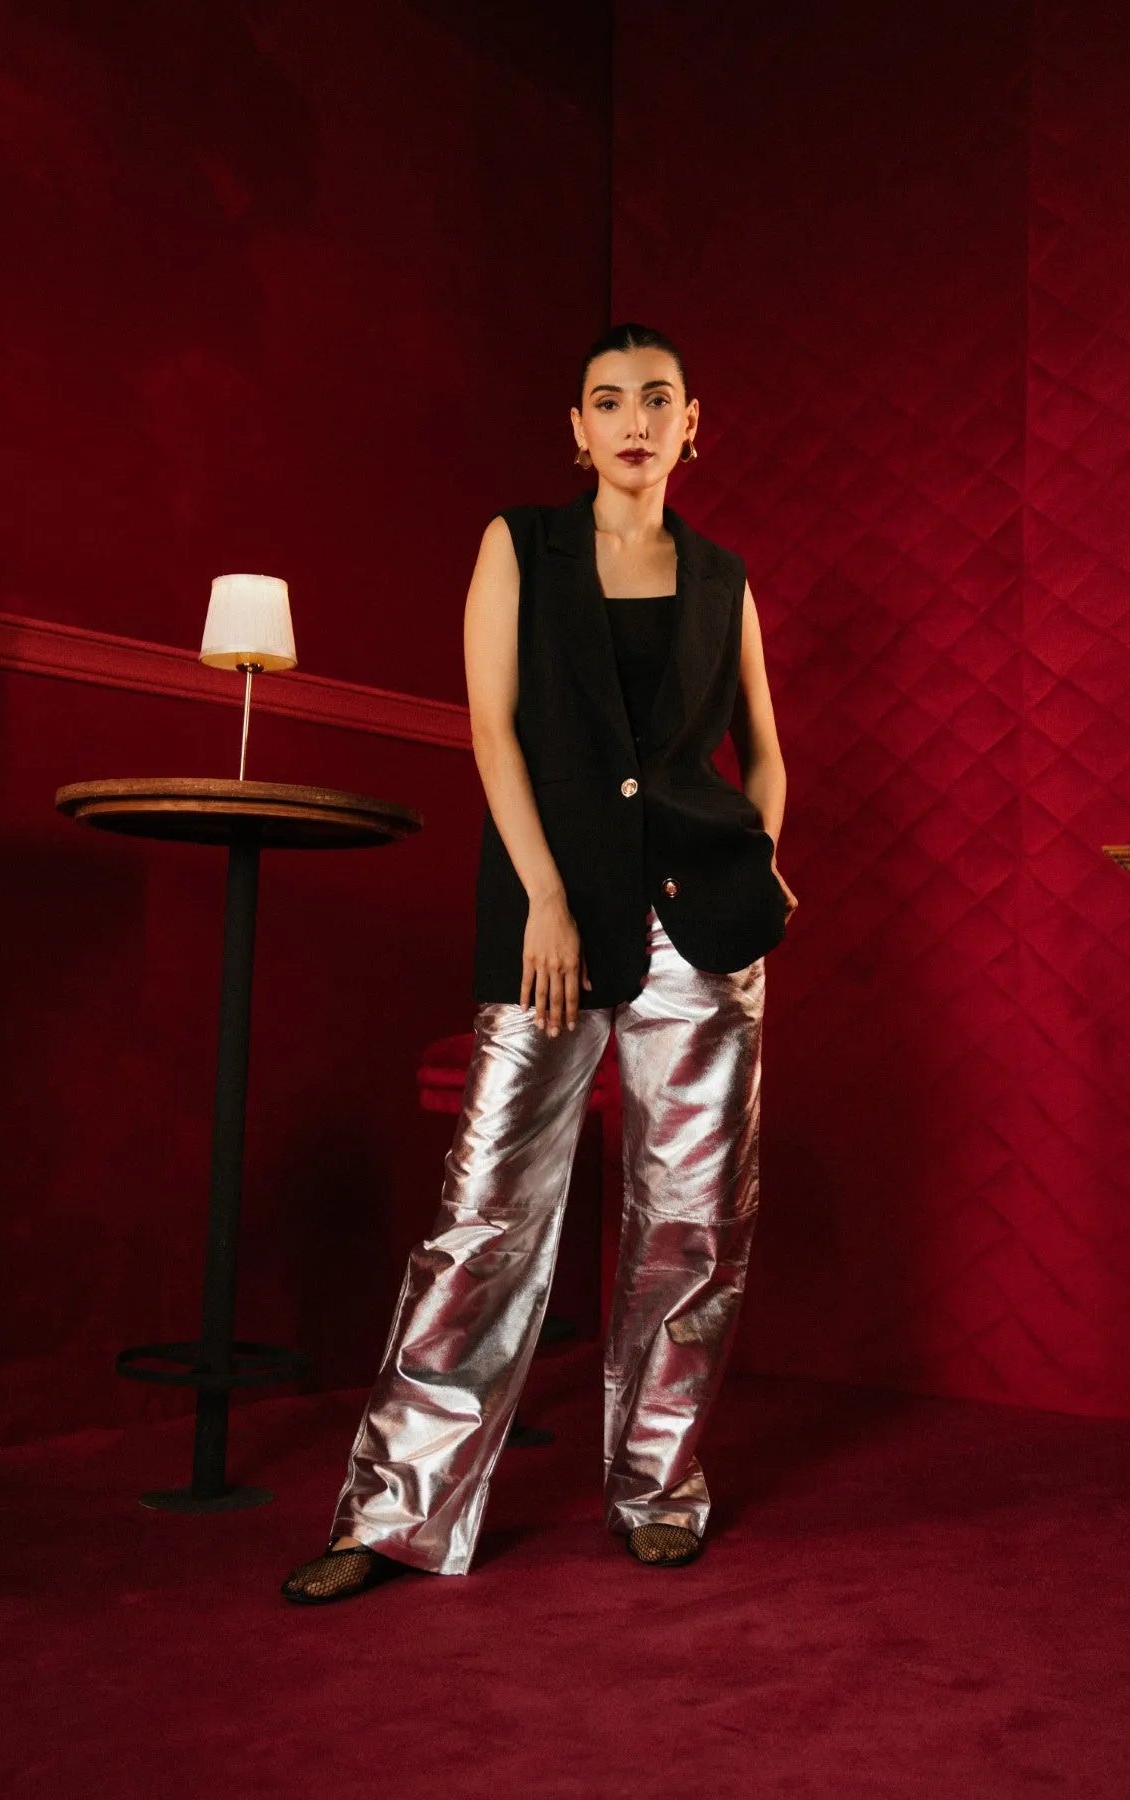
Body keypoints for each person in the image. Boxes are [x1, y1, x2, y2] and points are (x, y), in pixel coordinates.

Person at [280, 321, 798, 1605]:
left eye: (658, 399)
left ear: (693, 424)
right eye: (608, 401)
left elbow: (763, 750)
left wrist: (759, 867)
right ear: (577, 430)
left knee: (693, 1225)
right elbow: (494, 731)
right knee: (485, 1217)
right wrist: (548, 898)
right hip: (553, 919)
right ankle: (397, 1512)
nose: (635, 420)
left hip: (701, 930)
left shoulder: (723, 576)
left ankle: (659, 1486)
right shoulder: (520, 545)